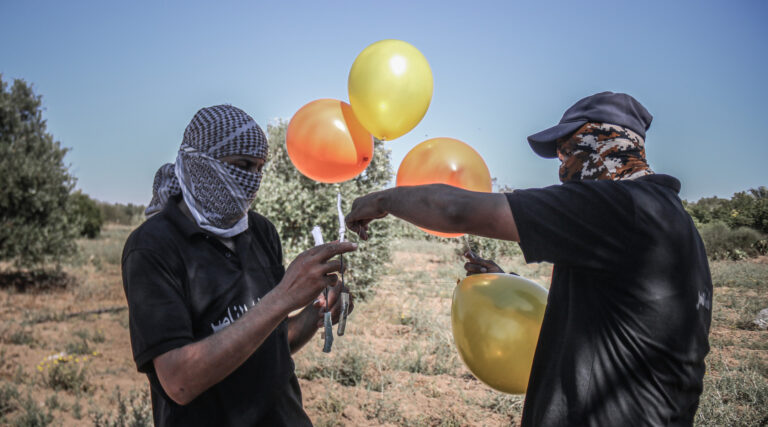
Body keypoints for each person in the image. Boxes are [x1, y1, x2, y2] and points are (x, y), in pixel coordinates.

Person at [345, 92, 712, 426]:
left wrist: (382, 200)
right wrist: (505, 282)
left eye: (568, 151)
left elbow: (455, 210)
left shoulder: (620, 207)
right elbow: (619, 317)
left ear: (603, 141)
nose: (563, 168)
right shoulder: (671, 221)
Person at [122, 105, 356, 426]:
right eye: (243, 165)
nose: (252, 180)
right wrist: (283, 297)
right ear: (200, 163)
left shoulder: (260, 231)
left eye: (259, 168)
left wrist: (317, 313)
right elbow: (179, 381)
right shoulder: (152, 246)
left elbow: (273, 343)